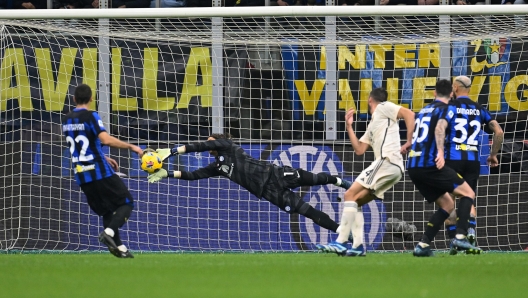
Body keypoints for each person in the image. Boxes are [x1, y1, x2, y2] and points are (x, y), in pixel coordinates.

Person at [146, 133, 353, 238]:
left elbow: (202, 145)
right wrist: (168, 173)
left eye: (211, 142)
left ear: (218, 141)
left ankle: (338, 181)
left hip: (276, 174)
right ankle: (342, 232)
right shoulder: (218, 166)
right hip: (269, 192)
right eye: (209, 144)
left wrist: (172, 151)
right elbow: (194, 175)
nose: (209, 146)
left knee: (315, 179)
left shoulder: (228, 146)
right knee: (306, 211)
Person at [316, 87, 415, 257]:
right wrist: (349, 127)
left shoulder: (384, 107)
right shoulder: (374, 123)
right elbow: (360, 149)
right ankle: (358, 246)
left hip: (387, 161)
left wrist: (409, 141)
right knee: (355, 201)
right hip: (393, 168)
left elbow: (409, 114)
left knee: (348, 195)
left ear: (370, 100)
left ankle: (340, 242)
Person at [62, 84, 143, 258]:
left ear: (74, 99)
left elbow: (78, 145)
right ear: (92, 98)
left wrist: (104, 157)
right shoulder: (91, 116)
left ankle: (120, 249)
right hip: (98, 171)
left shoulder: (67, 119)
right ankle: (110, 233)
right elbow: (105, 139)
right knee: (127, 202)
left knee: (107, 210)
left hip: (81, 174)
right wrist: (132, 147)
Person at [407, 79, 481, 257]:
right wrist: (440, 152)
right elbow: (440, 128)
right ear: (451, 93)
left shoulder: (424, 110)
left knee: (448, 204)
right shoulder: (447, 108)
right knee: (468, 194)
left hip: (413, 165)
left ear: (434, 93)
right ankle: (461, 236)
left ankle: (423, 245)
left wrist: (408, 143)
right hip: (430, 164)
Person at [437, 76, 504, 255]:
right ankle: (471, 231)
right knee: (468, 196)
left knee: (448, 199)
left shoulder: (450, 107)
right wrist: (493, 155)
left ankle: (455, 240)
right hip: (473, 162)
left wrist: (439, 151)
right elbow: (498, 131)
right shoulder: (479, 108)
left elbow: (440, 128)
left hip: (453, 159)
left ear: (456, 88)